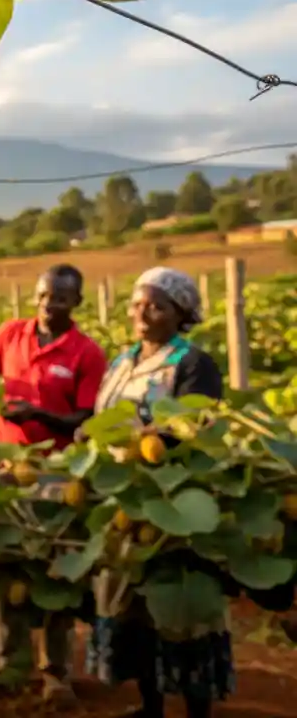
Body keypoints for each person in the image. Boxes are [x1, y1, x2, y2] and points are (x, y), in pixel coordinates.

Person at [83, 267, 230, 718]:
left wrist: (146, 443)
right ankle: (151, 706)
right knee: (135, 609)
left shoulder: (192, 363)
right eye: (137, 305)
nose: (142, 313)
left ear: (180, 313)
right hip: (126, 502)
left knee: (182, 612)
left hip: (176, 499)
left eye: (156, 305)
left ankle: (196, 710)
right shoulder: (121, 361)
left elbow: (195, 427)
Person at [0, 263, 108, 703]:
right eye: (43, 296)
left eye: (59, 298)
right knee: (5, 566)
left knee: (57, 570)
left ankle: (56, 671)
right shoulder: (11, 334)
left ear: (76, 303)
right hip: (7, 469)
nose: (48, 305)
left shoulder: (86, 352)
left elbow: (86, 417)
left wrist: (39, 415)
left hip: (59, 473)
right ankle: (12, 662)